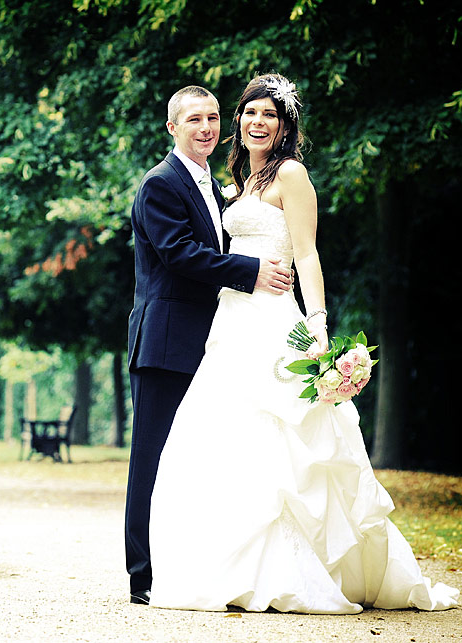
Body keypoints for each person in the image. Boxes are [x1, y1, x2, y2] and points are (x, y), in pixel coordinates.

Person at [146, 73, 459, 613]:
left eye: (269, 115)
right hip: (229, 323)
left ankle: (301, 570)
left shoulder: (291, 175)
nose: (256, 122)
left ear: (285, 125)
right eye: (249, 113)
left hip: (274, 321)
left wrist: (316, 322)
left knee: (289, 438)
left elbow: (308, 253)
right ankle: (226, 566)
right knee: (220, 438)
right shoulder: (239, 178)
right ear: (238, 121)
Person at [125, 85, 295, 605]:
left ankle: (186, 565)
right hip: (166, 340)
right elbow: (179, 254)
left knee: (192, 459)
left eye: (213, 117)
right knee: (151, 459)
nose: (207, 127)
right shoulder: (161, 183)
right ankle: (143, 576)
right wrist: (251, 271)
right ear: (172, 127)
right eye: (194, 118)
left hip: (213, 339)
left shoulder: (216, 184)